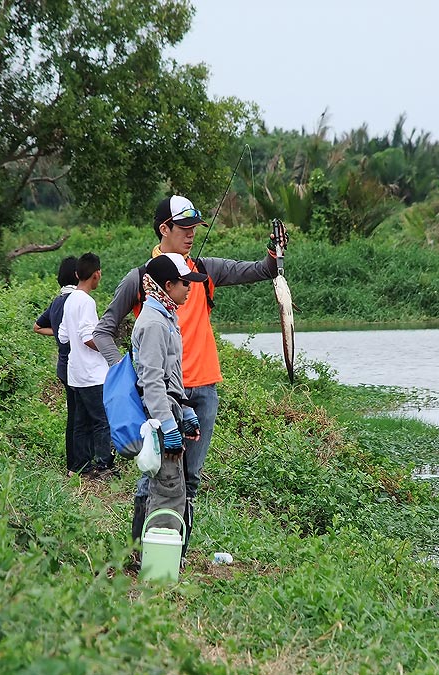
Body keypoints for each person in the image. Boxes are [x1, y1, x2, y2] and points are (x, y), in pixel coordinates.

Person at [94, 195, 287, 557]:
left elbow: (259, 270)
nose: (190, 235)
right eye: (183, 229)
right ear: (163, 228)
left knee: (191, 480)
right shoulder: (139, 279)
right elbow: (103, 330)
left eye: (194, 228)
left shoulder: (203, 270)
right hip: (161, 395)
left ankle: (173, 556)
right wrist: (124, 369)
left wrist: (275, 258)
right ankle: (142, 552)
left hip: (202, 392)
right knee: (155, 476)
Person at [131, 253, 205, 533]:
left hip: (170, 409)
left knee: (172, 483)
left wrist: (184, 408)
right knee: (167, 487)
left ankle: (155, 554)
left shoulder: (166, 316)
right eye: (184, 283)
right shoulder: (153, 323)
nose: (189, 288)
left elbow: (170, 372)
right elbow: (151, 381)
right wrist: (168, 424)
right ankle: (153, 560)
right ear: (168, 285)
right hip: (159, 416)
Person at [58, 253, 115, 477]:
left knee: (81, 422)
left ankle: (79, 467)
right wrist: (109, 352)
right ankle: (103, 466)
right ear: (97, 274)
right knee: (102, 421)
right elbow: (87, 337)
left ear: (76, 274)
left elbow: (63, 336)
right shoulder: (87, 301)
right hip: (92, 374)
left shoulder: (70, 299)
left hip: (75, 373)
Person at [33, 256, 80, 475]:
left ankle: (72, 464)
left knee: (73, 414)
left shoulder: (57, 301)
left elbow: (37, 326)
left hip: (63, 366)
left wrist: (60, 332)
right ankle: (79, 465)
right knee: (83, 416)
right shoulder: (77, 301)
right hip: (78, 367)